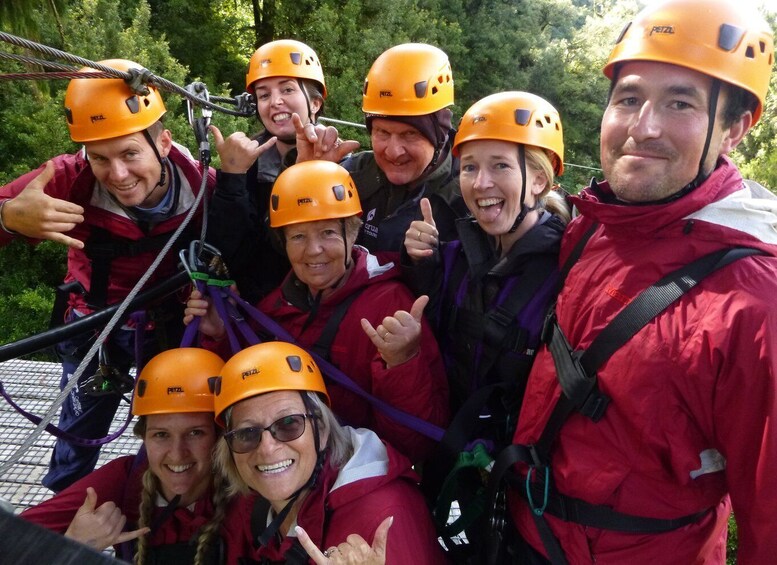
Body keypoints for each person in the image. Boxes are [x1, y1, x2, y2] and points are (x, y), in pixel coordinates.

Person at [503, 1, 777, 563]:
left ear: (734, 128)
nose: (642, 127)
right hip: (528, 530)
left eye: (680, 103)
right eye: (628, 98)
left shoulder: (755, 306)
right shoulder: (593, 229)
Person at [0, 59, 216, 492]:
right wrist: (7, 217)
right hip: (94, 327)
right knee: (80, 432)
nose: (117, 175)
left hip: (170, 326)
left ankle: (167, 506)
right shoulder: (67, 179)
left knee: (175, 429)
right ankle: (60, 510)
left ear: (165, 143)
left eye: (130, 153)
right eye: (100, 157)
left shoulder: (202, 187)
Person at [185, 160, 449, 463]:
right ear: (283, 243)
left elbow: (417, 443)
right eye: (298, 236)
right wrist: (220, 333)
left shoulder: (391, 307)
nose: (313, 250)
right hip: (290, 466)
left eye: (327, 232)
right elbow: (246, 400)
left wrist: (402, 362)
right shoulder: (274, 307)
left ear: (352, 233)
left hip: (357, 471)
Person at [402, 91, 569, 557]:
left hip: (519, 479)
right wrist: (419, 265)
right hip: (453, 448)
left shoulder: (567, 272)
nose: (480, 182)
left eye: (499, 166)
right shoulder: (457, 253)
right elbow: (439, 331)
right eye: (470, 167)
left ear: (537, 179)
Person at [213, 341, 448, 564]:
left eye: (288, 424)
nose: (267, 448)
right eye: (247, 434)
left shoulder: (384, 517)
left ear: (322, 429)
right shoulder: (253, 510)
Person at [20, 348, 232, 564]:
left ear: (220, 436)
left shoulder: (245, 490)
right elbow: (11, 538)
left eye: (195, 433)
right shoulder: (125, 478)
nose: (177, 454)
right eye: (161, 435)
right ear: (144, 437)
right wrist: (74, 546)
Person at [296, 42, 465, 256]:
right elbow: (285, 250)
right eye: (382, 133)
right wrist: (307, 180)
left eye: (410, 134)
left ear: (438, 137)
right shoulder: (352, 174)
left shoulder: (468, 196)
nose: (393, 151)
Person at [206, 39, 332, 303]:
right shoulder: (246, 162)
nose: (275, 102)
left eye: (287, 89)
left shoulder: (336, 159)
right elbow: (227, 251)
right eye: (264, 95)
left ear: (316, 103)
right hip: (259, 305)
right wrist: (231, 177)